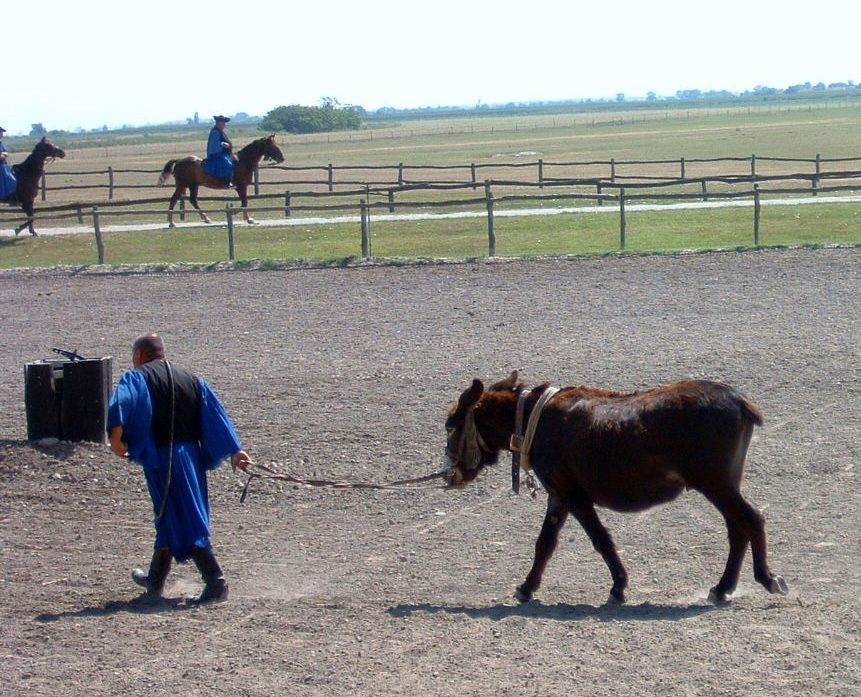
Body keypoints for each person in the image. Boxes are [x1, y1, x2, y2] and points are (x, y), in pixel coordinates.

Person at [107, 333, 252, 604]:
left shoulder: (136, 378)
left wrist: (116, 442)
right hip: (191, 457)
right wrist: (235, 450)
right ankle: (155, 581)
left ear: (139, 356)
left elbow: (119, 407)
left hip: (164, 458)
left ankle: (216, 582)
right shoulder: (192, 379)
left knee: (183, 515)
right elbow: (215, 415)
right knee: (168, 513)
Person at [201, 115, 235, 185]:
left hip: (223, 153)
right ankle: (226, 181)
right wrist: (223, 144)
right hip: (216, 153)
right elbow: (215, 143)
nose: (224, 124)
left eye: (224, 122)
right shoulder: (215, 132)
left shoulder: (221, 132)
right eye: (222, 122)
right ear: (218, 123)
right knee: (227, 164)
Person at [0, 126, 17, 200]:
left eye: (1, 132)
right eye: (0, 132)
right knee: (11, 181)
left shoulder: (1, 143)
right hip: (1, 166)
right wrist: (3, 154)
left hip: (4, 166)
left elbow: (6, 153)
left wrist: (3, 154)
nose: (1, 134)